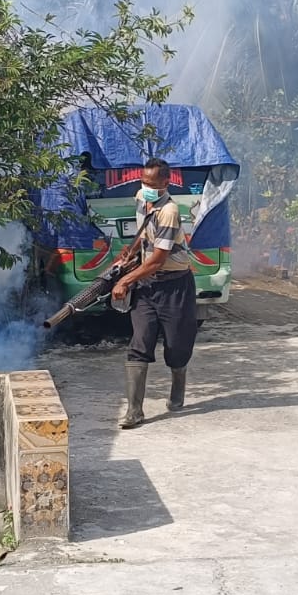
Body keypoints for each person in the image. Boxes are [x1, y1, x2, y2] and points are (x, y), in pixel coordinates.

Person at [111, 158, 197, 429]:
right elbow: (142, 234)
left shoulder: (170, 211)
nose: (145, 188)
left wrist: (125, 279)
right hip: (147, 286)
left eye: (151, 184)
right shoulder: (141, 197)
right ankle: (134, 411)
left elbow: (159, 259)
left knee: (177, 346)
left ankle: (178, 388)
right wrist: (129, 254)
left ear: (165, 183)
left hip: (175, 284)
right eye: (143, 182)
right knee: (139, 343)